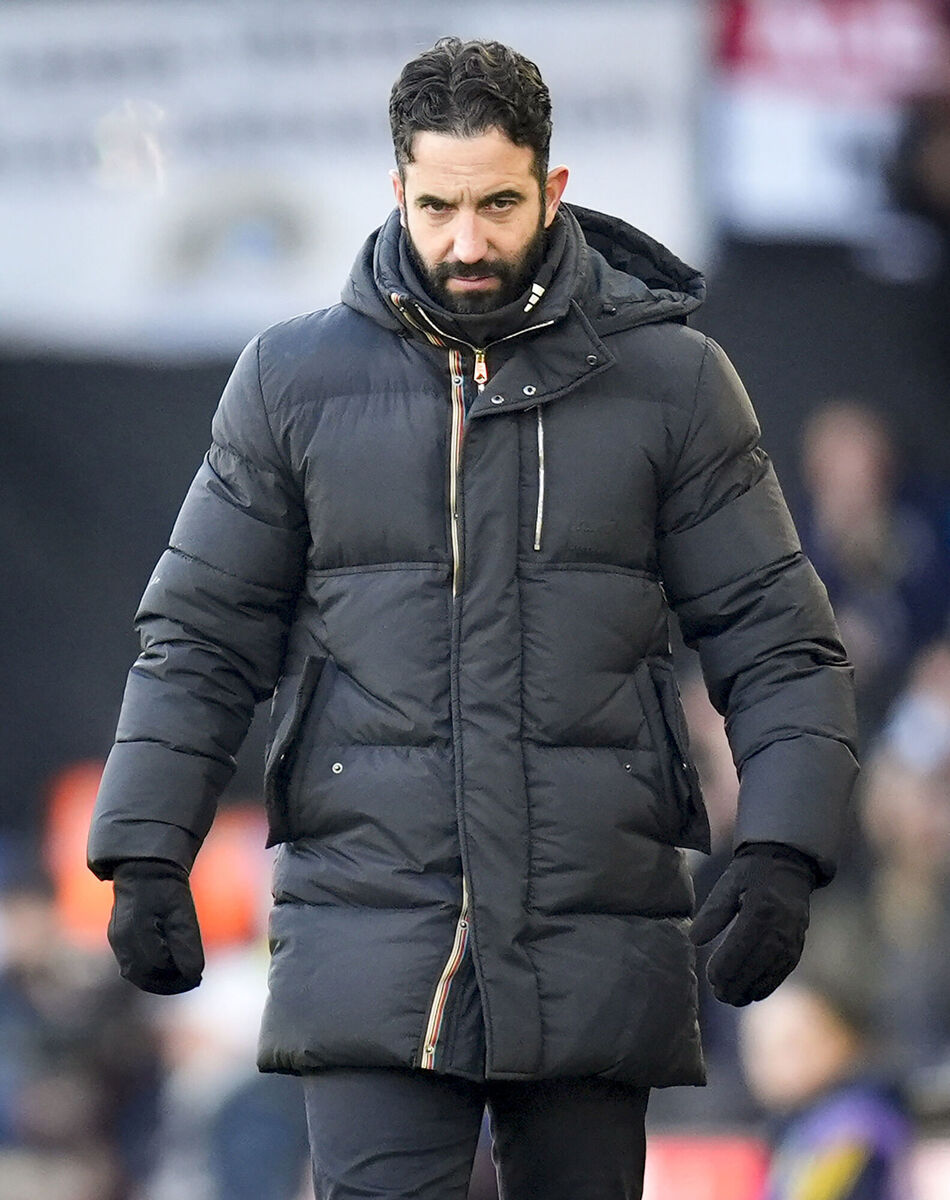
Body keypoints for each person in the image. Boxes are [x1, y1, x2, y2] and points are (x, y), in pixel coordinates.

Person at [87, 37, 859, 1200]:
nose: (465, 241)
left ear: (551, 188)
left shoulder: (675, 385)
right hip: (367, 937)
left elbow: (777, 644)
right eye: (438, 204)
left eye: (497, 203)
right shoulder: (289, 382)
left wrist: (785, 849)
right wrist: (147, 848)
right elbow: (199, 637)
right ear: (395, 188)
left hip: (592, 933)